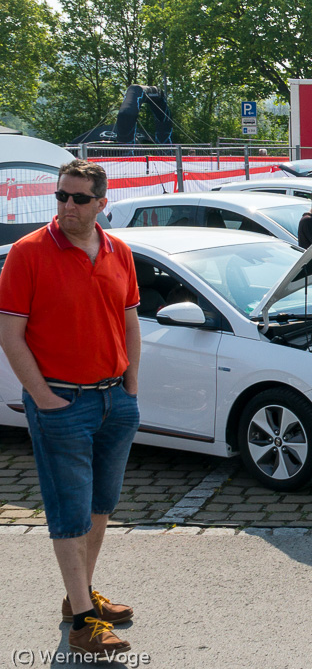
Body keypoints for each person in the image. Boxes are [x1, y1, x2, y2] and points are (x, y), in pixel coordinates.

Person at [0, 160, 141, 658]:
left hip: (113, 402)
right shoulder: (28, 252)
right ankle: (83, 623)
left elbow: (129, 322)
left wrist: (130, 388)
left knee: (100, 508)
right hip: (62, 403)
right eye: (62, 196)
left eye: (79, 199)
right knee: (69, 514)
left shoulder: (118, 250)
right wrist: (42, 397)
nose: (67, 207)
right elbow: (10, 334)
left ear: (102, 202)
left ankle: (79, 598)